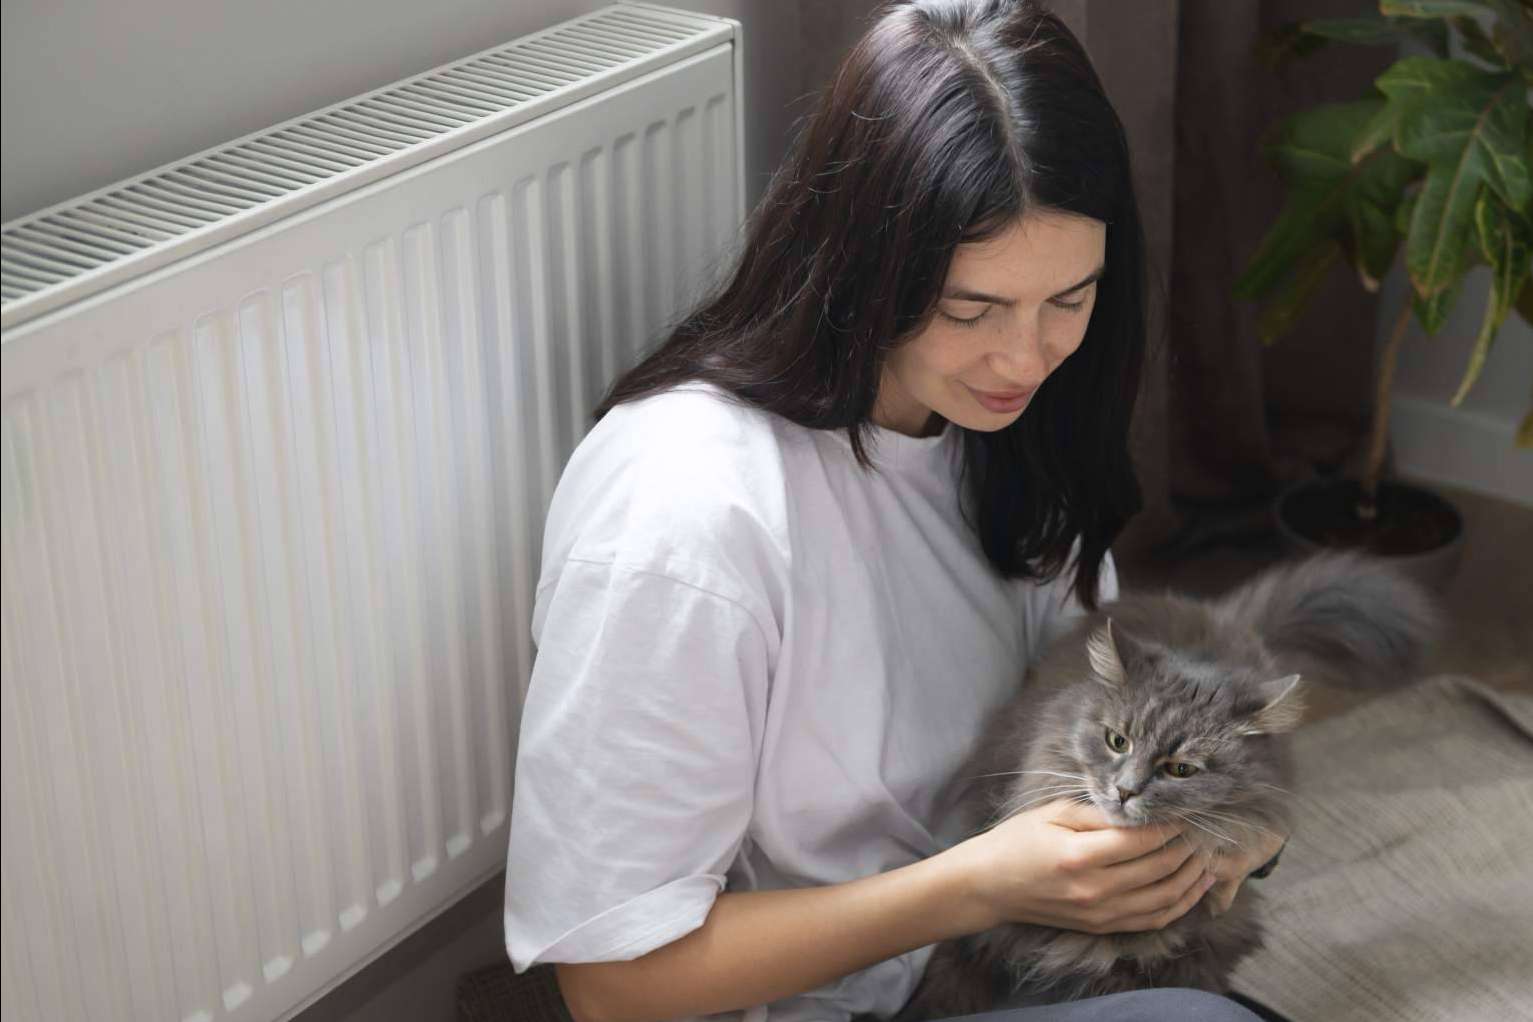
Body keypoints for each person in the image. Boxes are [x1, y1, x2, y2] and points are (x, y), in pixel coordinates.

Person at [503, 1, 1277, 1020]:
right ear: (864, 266)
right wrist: (981, 884)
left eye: (1070, 299)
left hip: (1006, 951)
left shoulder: (1011, 429)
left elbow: (1116, 731)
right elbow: (612, 985)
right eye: (970, 308)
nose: (1026, 357)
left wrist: (1229, 830)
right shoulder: (684, 511)